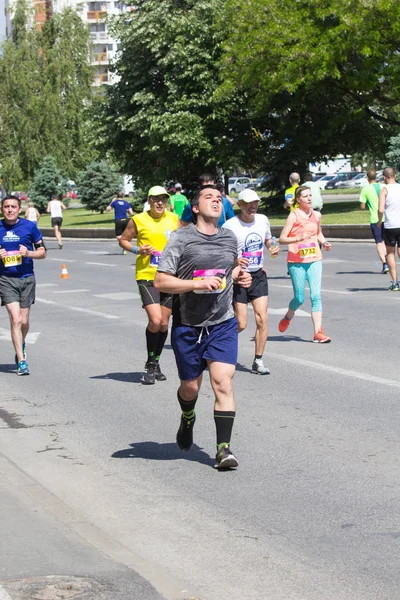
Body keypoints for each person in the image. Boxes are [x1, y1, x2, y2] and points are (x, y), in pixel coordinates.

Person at [154, 186, 252, 469]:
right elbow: (161, 282)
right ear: (195, 207)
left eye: (219, 198)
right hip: (188, 324)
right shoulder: (181, 238)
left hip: (222, 322)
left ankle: (223, 450)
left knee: (223, 382)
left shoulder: (229, 238)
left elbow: (227, 272)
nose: (216, 201)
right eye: (209, 197)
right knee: (190, 388)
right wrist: (196, 284)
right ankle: (187, 417)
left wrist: (239, 276)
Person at [120, 186, 179, 383]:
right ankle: (151, 364)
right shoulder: (138, 219)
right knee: (155, 320)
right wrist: (138, 249)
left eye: (163, 199)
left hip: (169, 276)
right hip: (147, 275)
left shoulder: (172, 219)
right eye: (156, 199)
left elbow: (181, 243)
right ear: (149, 201)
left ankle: (154, 361)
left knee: (164, 323)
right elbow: (124, 240)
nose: (160, 202)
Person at [223, 188, 279, 375]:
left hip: (257, 275)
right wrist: (235, 262)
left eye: (255, 202)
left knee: (262, 318)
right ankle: (217, 345)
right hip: (239, 277)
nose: (252, 206)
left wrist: (272, 247)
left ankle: (258, 360)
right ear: (239, 205)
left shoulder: (263, 220)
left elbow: (268, 239)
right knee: (241, 324)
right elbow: (222, 253)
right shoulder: (230, 226)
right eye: (247, 203)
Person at [278, 186, 332, 343]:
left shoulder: (317, 215)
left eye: (310, 195)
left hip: (315, 259)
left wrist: (325, 242)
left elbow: (318, 233)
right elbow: (282, 239)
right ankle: (289, 316)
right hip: (296, 262)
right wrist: (298, 237)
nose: (309, 198)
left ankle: (317, 332)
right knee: (299, 298)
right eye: (305, 196)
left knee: (316, 296)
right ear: (298, 200)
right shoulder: (294, 216)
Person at [0, 195, 46, 375]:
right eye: (6, 207)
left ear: (20, 209)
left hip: (27, 278)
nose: (9, 209)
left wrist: (28, 253)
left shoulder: (29, 227)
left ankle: (21, 341)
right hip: (5, 278)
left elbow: (42, 252)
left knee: (25, 322)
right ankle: (21, 360)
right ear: (2, 209)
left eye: (13, 206)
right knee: (16, 318)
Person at [359, 169, 389, 274]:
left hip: (375, 219)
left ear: (367, 178)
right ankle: (389, 261)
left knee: (379, 242)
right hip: (387, 218)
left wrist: (368, 204)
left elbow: (362, 206)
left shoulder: (365, 189)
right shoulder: (383, 186)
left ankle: (385, 264)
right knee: (385, 241)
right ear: (376, 177)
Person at [378, 167, 400, 291]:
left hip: (391, 225)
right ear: (395, 176)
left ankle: (395, 283)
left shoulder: (384, 190)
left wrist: (379, 220)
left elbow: (381, 209)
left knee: (390, 253)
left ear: (385, 177)